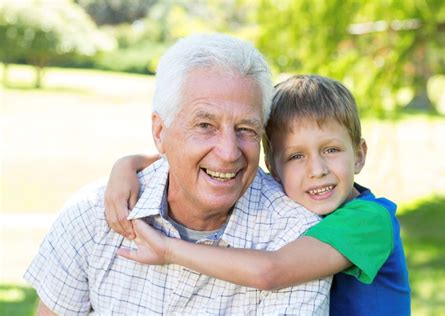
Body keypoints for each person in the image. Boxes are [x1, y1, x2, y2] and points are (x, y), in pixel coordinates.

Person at [24, 34, 331, 315]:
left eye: (245, 129)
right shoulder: (92, 215)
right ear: (160, 132)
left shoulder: (296, 242)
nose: (228, 152)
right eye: (205, 126)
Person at [105, 75, 411, 315]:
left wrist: (169, 250)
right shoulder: (290, 201)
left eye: (331, 150)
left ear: (359, 155)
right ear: (272, 170)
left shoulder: (370, 221)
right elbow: (195, 159)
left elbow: (271, 271)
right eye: (296, 157)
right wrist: (128, 165)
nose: (316, 170)